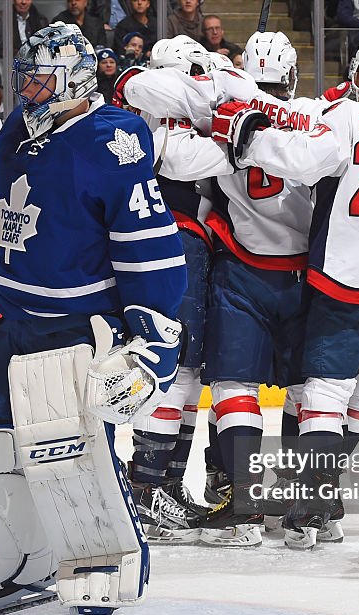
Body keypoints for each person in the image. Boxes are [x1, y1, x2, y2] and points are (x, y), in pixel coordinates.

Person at [0, 22, 183, 615]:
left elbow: (149, 246)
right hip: (8, 321)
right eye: (25, 81)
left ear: (75, 81)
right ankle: (20, 561)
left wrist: (152, 335)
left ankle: (99, 565)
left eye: (40, 82)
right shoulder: (18, 127)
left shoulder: (111, 140)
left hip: (73, 330)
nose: (29, 93)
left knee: (68, 455)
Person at [208, 35, 359, 549]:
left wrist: (248, 136)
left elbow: (300, 161)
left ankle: (315, 500)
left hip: (345, 280)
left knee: (324, 393)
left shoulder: (345, 116)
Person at [119, 33, 321, 546]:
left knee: (207, 378)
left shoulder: (172, 110)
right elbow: (177, 159)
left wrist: (233, 138)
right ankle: (153, 486)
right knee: (188, 372)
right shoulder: (300, 117)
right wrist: (237, 142)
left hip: (197, 253)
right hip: (188, 247)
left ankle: (173, 483)